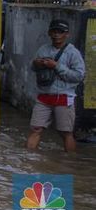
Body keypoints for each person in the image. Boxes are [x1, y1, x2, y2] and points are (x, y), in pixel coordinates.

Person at [26, 19, 85, 152]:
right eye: (54, 31)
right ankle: (28, 161)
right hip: (44, 97)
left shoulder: (73, 53)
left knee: (65, 132)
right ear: (49, 33)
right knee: (36, 129)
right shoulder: (43, 49)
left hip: (64, 98)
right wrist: (37, 64)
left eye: (60, 32)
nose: (57, 35)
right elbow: (32, 67)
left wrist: (57, 66)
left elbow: (78, 76)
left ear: (67, 34)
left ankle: (69, 162)